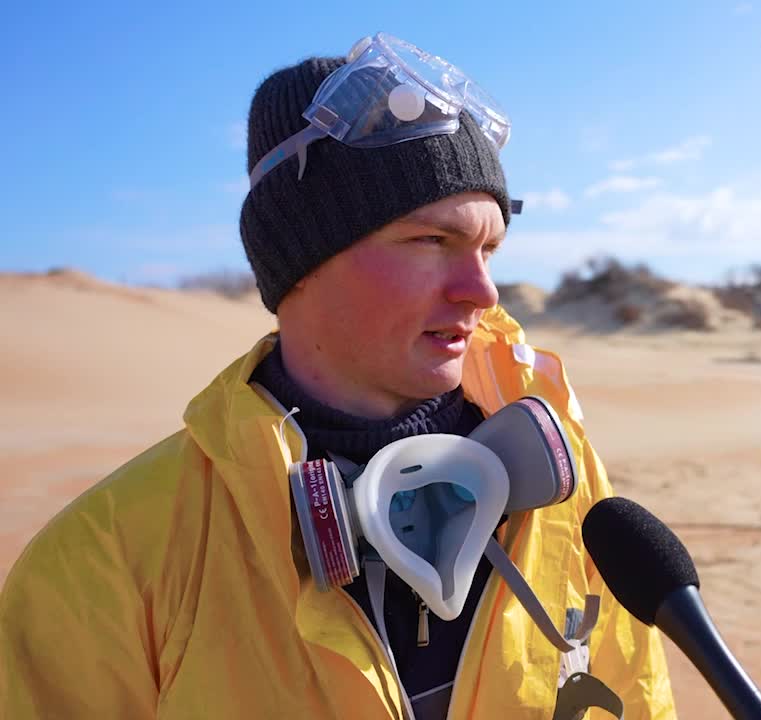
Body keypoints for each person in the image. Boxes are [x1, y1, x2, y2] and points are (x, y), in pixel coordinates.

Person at [0, 36, 676, 720]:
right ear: (300, 259)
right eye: (431, 240)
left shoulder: (567, 479)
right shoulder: (106, 558)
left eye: (489, 248)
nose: (483, 292)